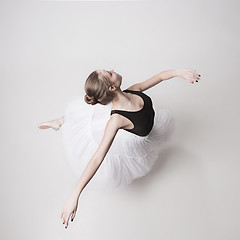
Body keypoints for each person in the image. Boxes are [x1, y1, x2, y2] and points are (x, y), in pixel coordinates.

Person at [38, 68, 201, 228]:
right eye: (110, 73)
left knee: (100, 109)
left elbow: (159, 77)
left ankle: (61, 120)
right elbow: (96, 159)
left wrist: (179, 73)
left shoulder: (134, 90)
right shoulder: (116, 120)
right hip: (131, 130)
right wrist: (75, 194)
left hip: (130, 113)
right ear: (111, 87)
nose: (113, 70)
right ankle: (62, 121)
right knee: (99, 118)